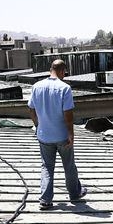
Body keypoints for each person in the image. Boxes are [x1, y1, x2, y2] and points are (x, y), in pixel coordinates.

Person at [27, 59, 87, 208]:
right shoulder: (65, 88)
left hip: (44, 135)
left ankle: (45, 200)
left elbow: (31, 109)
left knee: (47, 167)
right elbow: (68, 115)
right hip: (62, 136)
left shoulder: (36, 86)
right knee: (69, 166)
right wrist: (71, 134)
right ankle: (74, 194)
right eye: (64, 73)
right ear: (62, 71)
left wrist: (37, 125)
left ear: (50, 69)